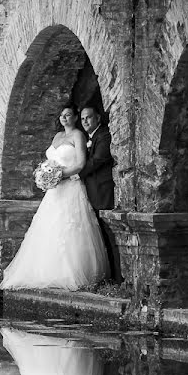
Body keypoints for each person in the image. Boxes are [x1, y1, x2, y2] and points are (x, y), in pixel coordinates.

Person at [0, 104, 108, 291]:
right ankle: (45, 272)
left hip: (70, 187)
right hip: (54, 191)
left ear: (75, 118)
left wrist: (58, 175)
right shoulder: (57, 137)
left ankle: (72, 273)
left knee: (70, 228)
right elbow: (51, 160)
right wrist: (45, 174)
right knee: (48, 228)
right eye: (62, 115)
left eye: (68, 115)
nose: (64, 118)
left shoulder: (78, 136)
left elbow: (81, 164)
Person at [79, 106, 120, 282]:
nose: (85, 122)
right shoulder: (87, 138)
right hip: (91, 192)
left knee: (108, 233)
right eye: (82, 119)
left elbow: (99, 159)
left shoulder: (103, 135)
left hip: (102, 191)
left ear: (97, 118)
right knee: (98, 235)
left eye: (88, 118)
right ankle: (108, 274)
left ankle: (118, 276)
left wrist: (76, 172)